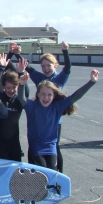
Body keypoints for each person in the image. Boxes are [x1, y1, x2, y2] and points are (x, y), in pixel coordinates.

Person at [17, 69, 99, 170]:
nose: (46, 97)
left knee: (52, 169)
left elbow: (75, 96)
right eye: (43, 94)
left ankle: (54, 185)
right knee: (42, 169)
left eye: (49, 95)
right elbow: (21, 98)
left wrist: (91, 82)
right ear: (38, 94)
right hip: (36, 145)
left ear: (54, 96)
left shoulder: (57, 106)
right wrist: (21, 84)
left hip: (51, 146)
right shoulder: (32, 106)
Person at [13, 41, 71, 172]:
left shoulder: (60, 78)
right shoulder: (40, 77)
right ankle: (33, 172)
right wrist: (18, 55)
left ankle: (58, 174)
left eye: (48, 65)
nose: (46, 69)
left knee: (55, 148)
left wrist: (65, 51)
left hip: (54, 120)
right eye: (43, 66)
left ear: (55, 65)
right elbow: (28, 68)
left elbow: (68, 68)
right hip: (39, 118)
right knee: (33, 145)